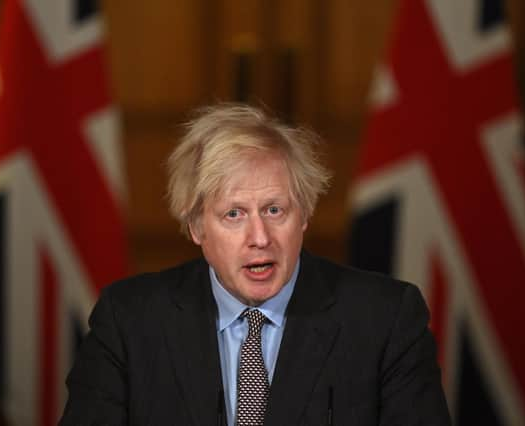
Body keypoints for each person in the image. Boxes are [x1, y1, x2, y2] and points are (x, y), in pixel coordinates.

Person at [59, 104, 451, 425]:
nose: (260, 237)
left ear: (305, 215)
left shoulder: (386, 319)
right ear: (196, 226)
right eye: (234, 214)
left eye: (274, 209)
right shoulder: (129, 320)